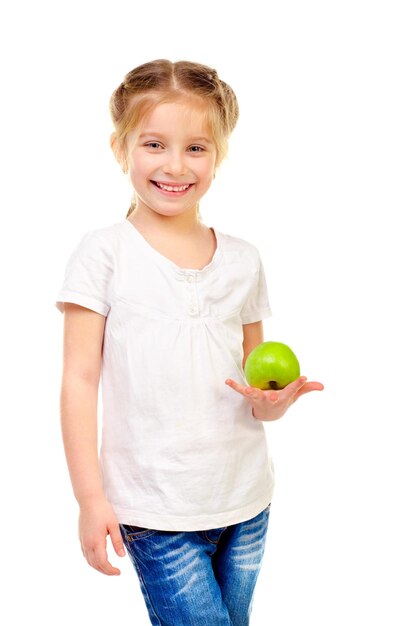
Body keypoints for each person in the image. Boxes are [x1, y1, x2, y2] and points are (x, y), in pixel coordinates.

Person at [55, 59, 324, 626]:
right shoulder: (104, 254)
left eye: (196, 148)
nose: (175, 165)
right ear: (120, 147)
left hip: (247, 499)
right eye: (154, 144)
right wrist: (90, 499)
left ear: (219, 155)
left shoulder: (244, 259)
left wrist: (270, 404)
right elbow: (78, 382)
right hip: (156, 511)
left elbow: (253, 379)